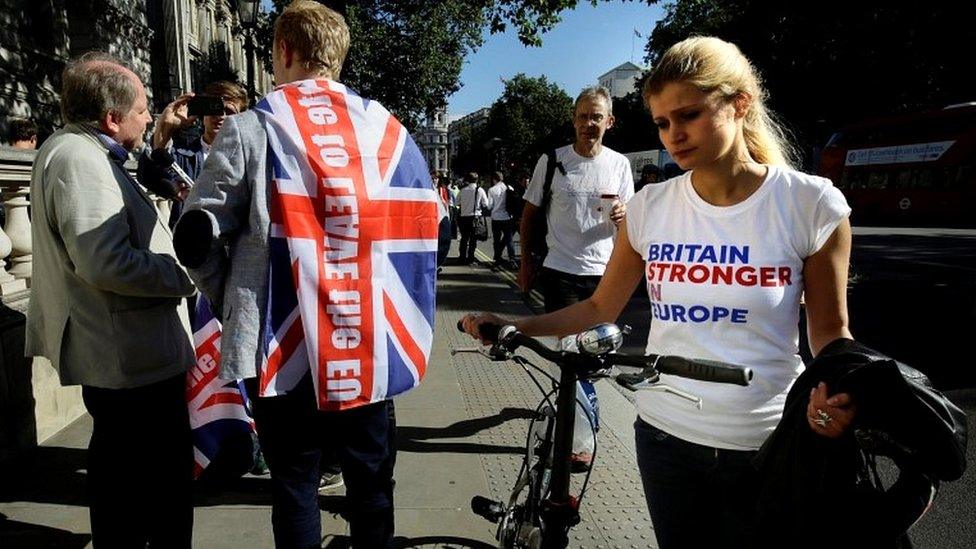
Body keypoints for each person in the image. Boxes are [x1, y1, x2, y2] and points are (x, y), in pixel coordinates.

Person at [462, 36, 857, 548]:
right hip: (663, 438)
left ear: (740, 104)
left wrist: (838, 396)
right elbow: (602, 306)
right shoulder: (649, 207)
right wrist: (516, 325)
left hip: (764, 439)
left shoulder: (811, 204)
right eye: (662, 123)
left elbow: (830, 334)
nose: (674, 135)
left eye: (688, 115)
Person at [174, 1, 439, 546]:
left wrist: (232, 299)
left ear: (285, 51)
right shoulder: (387, 130)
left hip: (281, 343)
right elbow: (421, 226)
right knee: (372, 484)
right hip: (366, 339)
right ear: (337, 58)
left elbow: (194, 237)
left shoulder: (252, 128)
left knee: (294, 486)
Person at [25, 52, 196, 547]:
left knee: (129, 483)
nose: (149, 116)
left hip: (129, 352)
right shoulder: (79, 159)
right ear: (111, 117)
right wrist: (182, 276)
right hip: (128, 358)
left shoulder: (86, 151)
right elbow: (106, 262)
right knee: (149, 492)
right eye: (143, 109)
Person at [517, 86, 634, 464]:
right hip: (561, 272)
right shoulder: (551, 160)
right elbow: (530, 215)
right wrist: (525, 264)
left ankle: (575, 423)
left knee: (595, 359)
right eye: (582, 116)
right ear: (573, 120)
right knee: (573, 356)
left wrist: (624, 218)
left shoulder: (619, 164)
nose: (588, 124)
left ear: (609, 122)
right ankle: (580, 442)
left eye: (596, 117)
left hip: (605, 276)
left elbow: (631, 222)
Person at [140, 80, 248, 228]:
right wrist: (164, 129)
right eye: (214, 108)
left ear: (241, 118)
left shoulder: (249, 160)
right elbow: (149, 176)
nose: (220, 116)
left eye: (228, 111)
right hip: (189, 244)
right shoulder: (182, 156)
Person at [486, 171, 517, 268]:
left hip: (496, 218)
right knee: (509, 239)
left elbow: (489, 206)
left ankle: (498, 259)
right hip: (507, 217)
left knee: (496, 239)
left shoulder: (491, 190)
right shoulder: (509, 188)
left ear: (494, 179)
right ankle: (512, 259)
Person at [457, 171, 488, 265]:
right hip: (475, 217)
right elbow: (485, 204)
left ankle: (462, 257)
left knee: (464, 238)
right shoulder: (480, 190)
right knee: (473, 239)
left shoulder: (462, 190)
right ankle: (470, 258)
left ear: (467, 180)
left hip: (464, 218)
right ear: (477, 180)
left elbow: (456, 203)